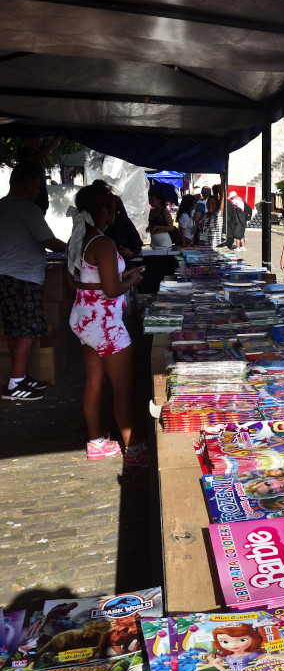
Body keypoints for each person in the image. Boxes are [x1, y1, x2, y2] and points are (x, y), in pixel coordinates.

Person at [67, 184, 148, 465]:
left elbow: (77, 281)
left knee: (94, 382)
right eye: (112, 207)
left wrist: (118, 275)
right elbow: (113, 290)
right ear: (103, 210)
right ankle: (134, 449)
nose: (115, 212)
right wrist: (131, 279)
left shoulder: (80, 239)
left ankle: (96, 442)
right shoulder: (103, 242)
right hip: (105, 324)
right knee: (124, 388)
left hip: (84, 320)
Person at [0, 162, 69, 401]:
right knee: (27, 331)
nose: (38, 191)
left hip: (6, 276)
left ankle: (19, 377)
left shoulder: (2, 206)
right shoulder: (28, 209)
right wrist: (77, 248)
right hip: (24, 278)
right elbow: (48, 241)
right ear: (29, 184)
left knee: (14, 330)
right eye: (38, 186)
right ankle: (15, 384)